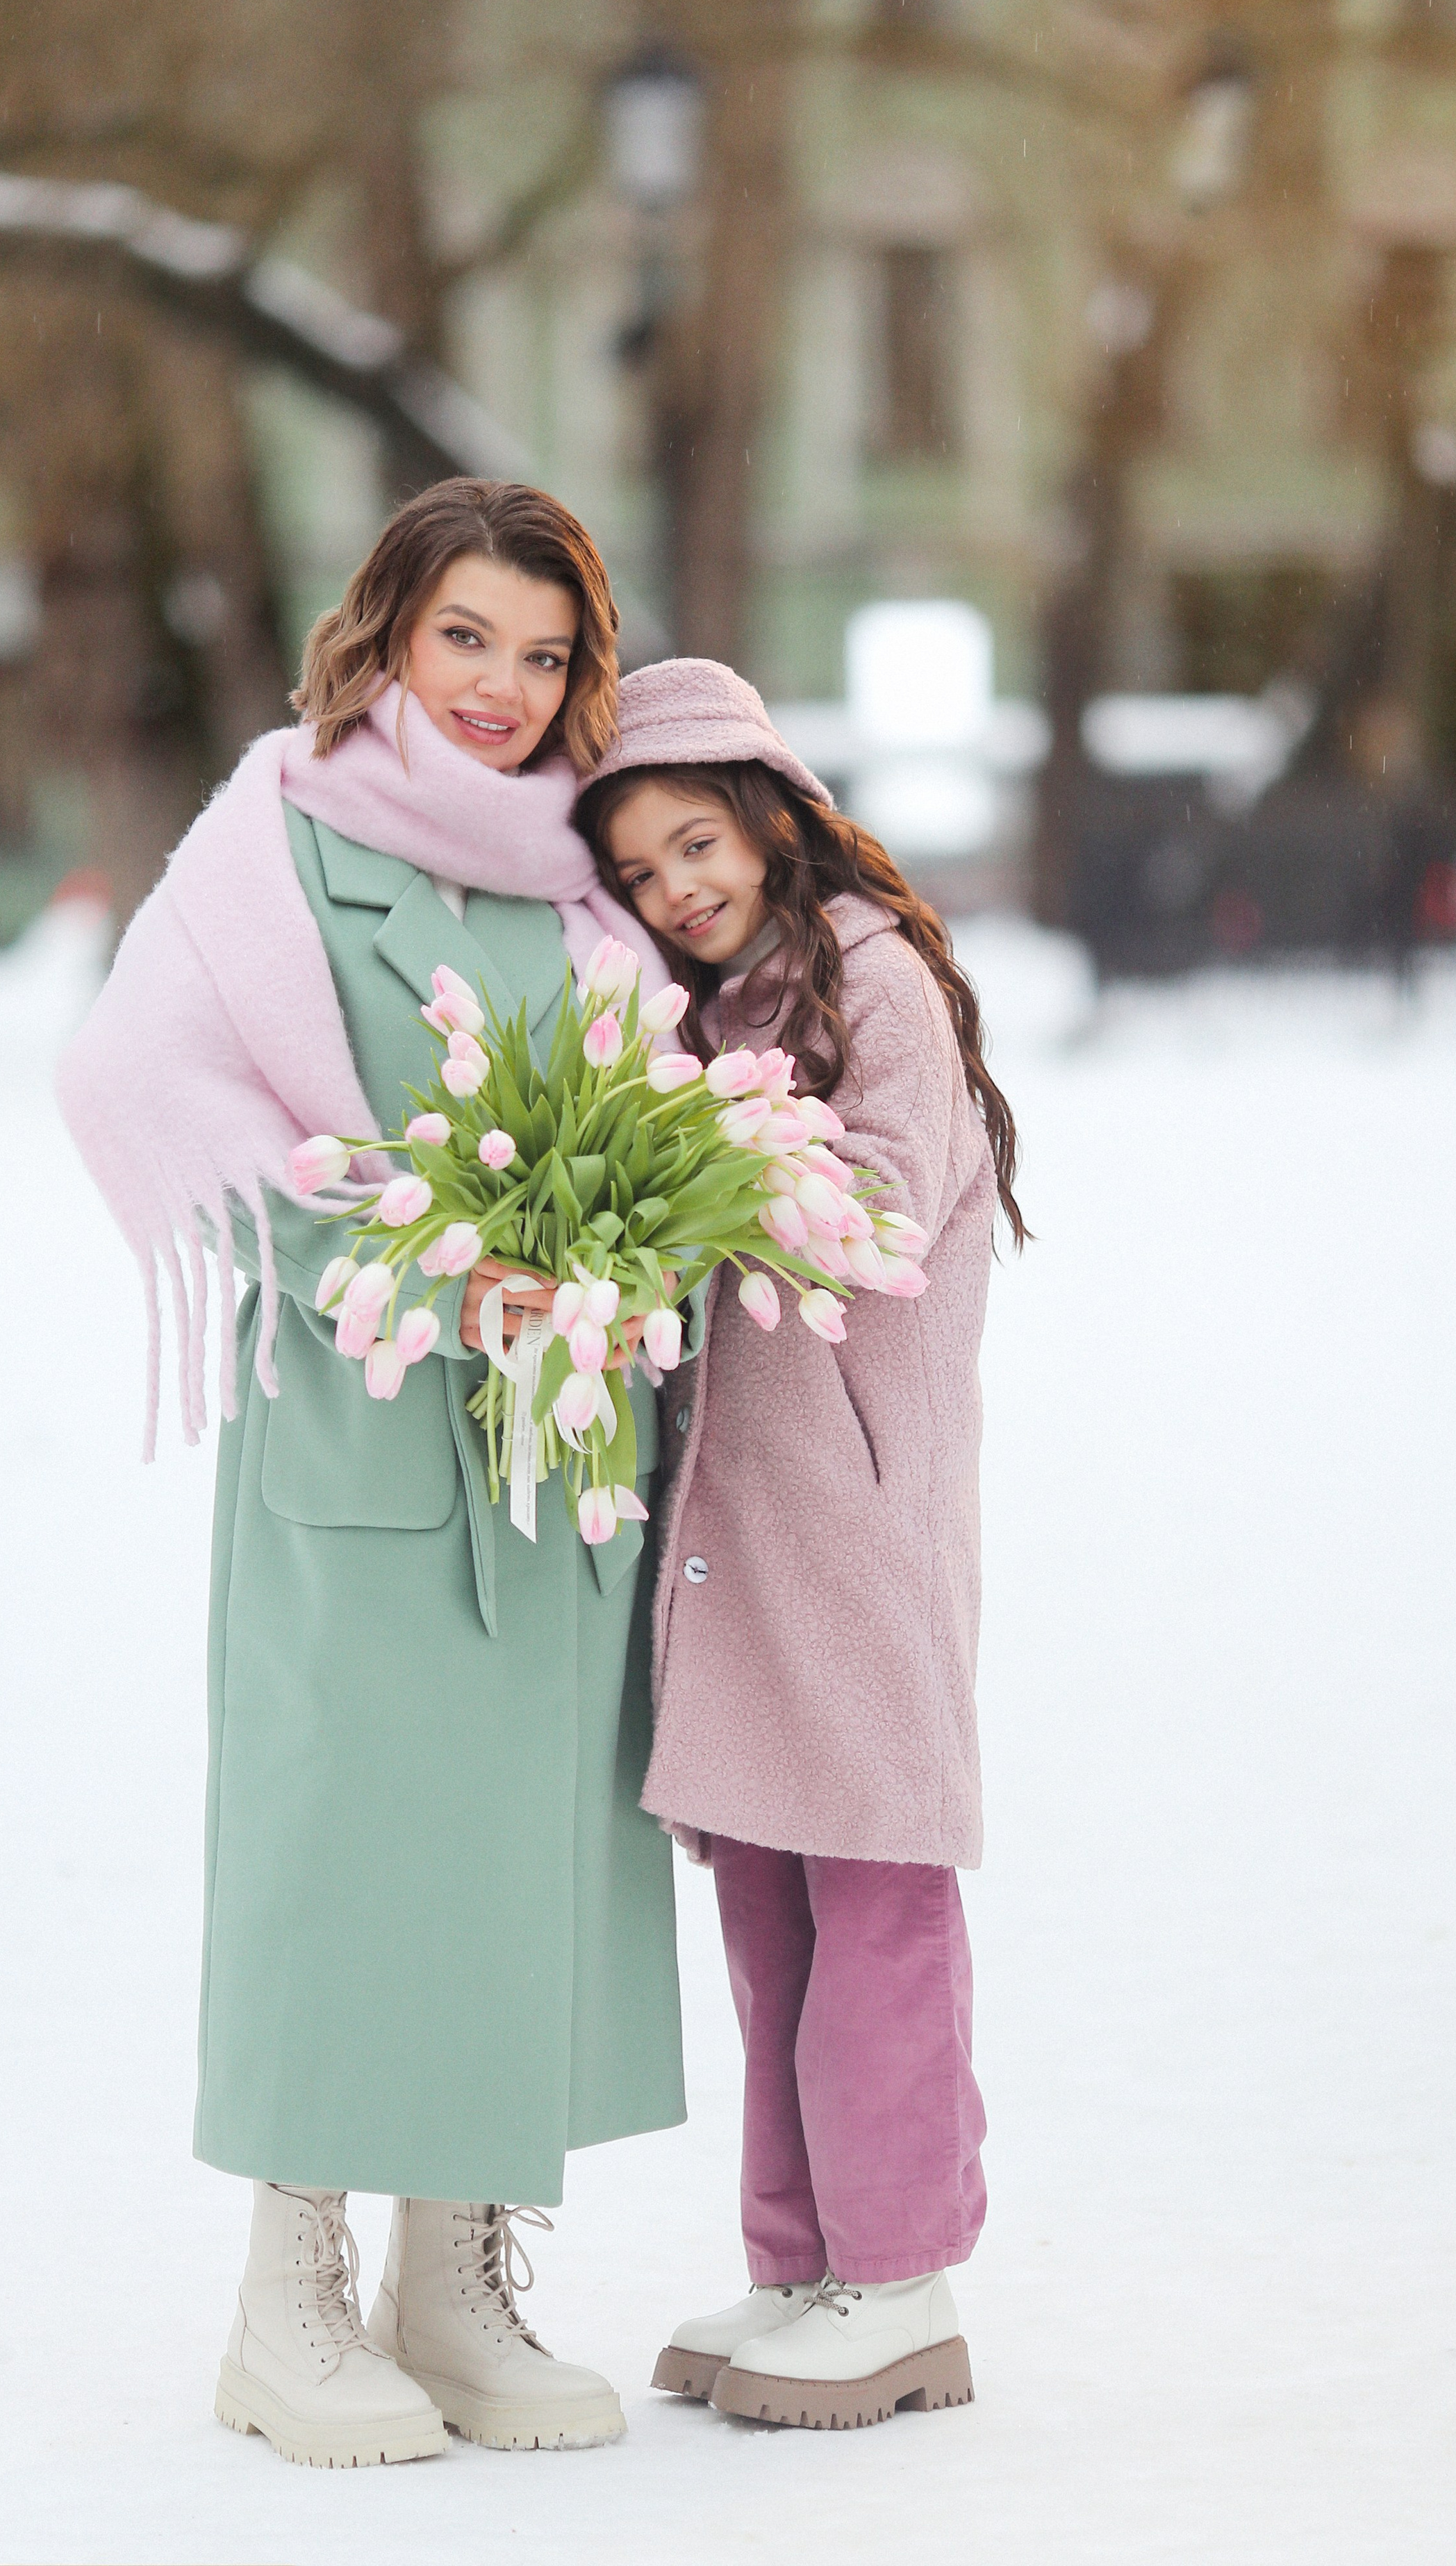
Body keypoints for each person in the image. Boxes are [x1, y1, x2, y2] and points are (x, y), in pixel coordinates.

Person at [58, 481, 688, 2469]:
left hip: (558, 1447)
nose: (504, 689)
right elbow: (140, 1077)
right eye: (466, 641)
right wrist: (406, 1268)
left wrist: (629, 1256)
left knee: (519, 1850)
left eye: (546, 651)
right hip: (362, 1425)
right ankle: (292, 2289)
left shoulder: (581, 878)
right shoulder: (286, 840)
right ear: (387, 637)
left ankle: (458, 2269)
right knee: (350, 1845)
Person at [574, 656, 1026, 2435]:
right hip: (738, 1534)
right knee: (767, 1904)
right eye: (637, 874)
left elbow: (885, 1216)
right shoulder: (706, 1009)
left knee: (873, 1887)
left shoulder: (868, 979)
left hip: (852, 1522)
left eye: (695, 843)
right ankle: (799, 2262)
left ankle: (898, 2274)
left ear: (766, 813)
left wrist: (694, 1153)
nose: (676, 887)